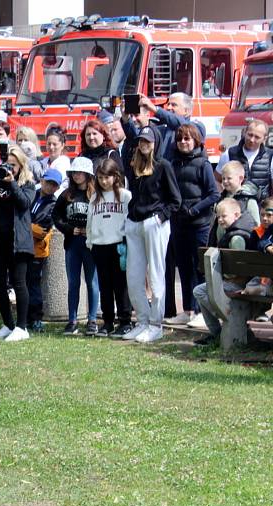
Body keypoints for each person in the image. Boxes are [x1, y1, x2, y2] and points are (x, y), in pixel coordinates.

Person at [122, 127, 182, 343]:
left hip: (154, 222)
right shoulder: (133, 165)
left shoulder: (163, 165)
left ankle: (156, 324)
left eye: (148, 140)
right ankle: (143, 321)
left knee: (157, 276)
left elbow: (175, 200)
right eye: (141, 140)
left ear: (155, 142)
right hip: (135, 222)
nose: (143, 144)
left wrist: (160, 217)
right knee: (134, 277)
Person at [0, 146, 36, 342]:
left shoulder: (27, 183)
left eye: (13, 165)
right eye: (7, 165)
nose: (9, 169)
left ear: (21, 165)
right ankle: (7, 324)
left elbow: (24, 204)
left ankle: (22, 327)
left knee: (19, 283)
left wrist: (12, 184)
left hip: (18, 242)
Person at [164, 124, 219, 327]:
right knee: (184, 268)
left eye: (187, 139)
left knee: (199, 268)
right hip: (178, 223)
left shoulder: (203, 164)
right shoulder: (172, 164)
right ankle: (187, 310)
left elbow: (214, 194)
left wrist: (195, 209)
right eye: (180, 139)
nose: (183, 143)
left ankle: (201, 312)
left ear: (196, 141)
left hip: (199, 224)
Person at [192, 198, 260, 345]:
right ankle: (218, 329)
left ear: (236, 215)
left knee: (199, 291)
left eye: (224, 216)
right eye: (218, 216)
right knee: (202, 291)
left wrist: (227, 276)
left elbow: (240, 270)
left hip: (238, 284)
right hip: (237, 281)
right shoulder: (236, 231)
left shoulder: (236, 238)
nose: (220, 220)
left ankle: (225, 319)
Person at [52, 157, 100, 336]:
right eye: (75, 172)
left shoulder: (96, 195)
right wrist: (70, 230)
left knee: (92, 282)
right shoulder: (66, 195)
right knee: (73, 282)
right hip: (72, 244)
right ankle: (72, 320)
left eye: (81, 172)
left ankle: (92, 319)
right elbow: (57, 217)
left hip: (91, 245)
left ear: (88, 174)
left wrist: (92, 232)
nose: (77, 175)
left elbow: (102, 218)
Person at [86, 158, 133, 337]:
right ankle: (107, 322)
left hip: (118, 245)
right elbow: (90, 222)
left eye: (107, 177)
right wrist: (90, 241)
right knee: (104, 286)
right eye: (100, 177)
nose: (104, 181)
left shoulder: (125, 195)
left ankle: (125, 320)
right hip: (99, 245)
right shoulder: (94, 198)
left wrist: (127, 241)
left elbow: (129, 220)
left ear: (115, 176)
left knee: (121, 285)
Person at [27, 168, 61, 332]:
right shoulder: (31, 194)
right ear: (42, 180)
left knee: (33, 284)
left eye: (54, 185)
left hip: (38, 250)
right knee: (21, 282)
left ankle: (36, 318)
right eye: (48, 182)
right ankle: (25, 316)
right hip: (22, 246)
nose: (50, 187)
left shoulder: (53, 204)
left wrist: (23, 226)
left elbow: (42, 230)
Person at [136, 93, 206, 161]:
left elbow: (184, 126)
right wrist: (127, 121)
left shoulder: (197, 126)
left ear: (186, 111)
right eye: (168, 104)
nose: (168, 107)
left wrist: (154, 108)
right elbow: (137, 136)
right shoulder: (164, 127)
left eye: (174, 105)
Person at [215, 119, 272, 199]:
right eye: (250, 135)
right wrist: (223, 198)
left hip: (261, 208)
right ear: (244, 132)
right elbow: (216, 180)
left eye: (257, 137)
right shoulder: (229, 154)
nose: (252, 140)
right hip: (236, 207)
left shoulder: (270, 156)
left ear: (264, 138)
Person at [219, 161, 260, 225]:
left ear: (240, 178)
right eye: (223, 178)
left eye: (229, 178)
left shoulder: (248, 199)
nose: (225, 181)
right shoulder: (222, 198)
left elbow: (256, 224)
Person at [41, 126, 71, 191]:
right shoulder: (43, 161)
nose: (51, 147)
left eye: (54, 144)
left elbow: (53, 185)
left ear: (62, 145)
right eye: (49, 144)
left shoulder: (64, 163)